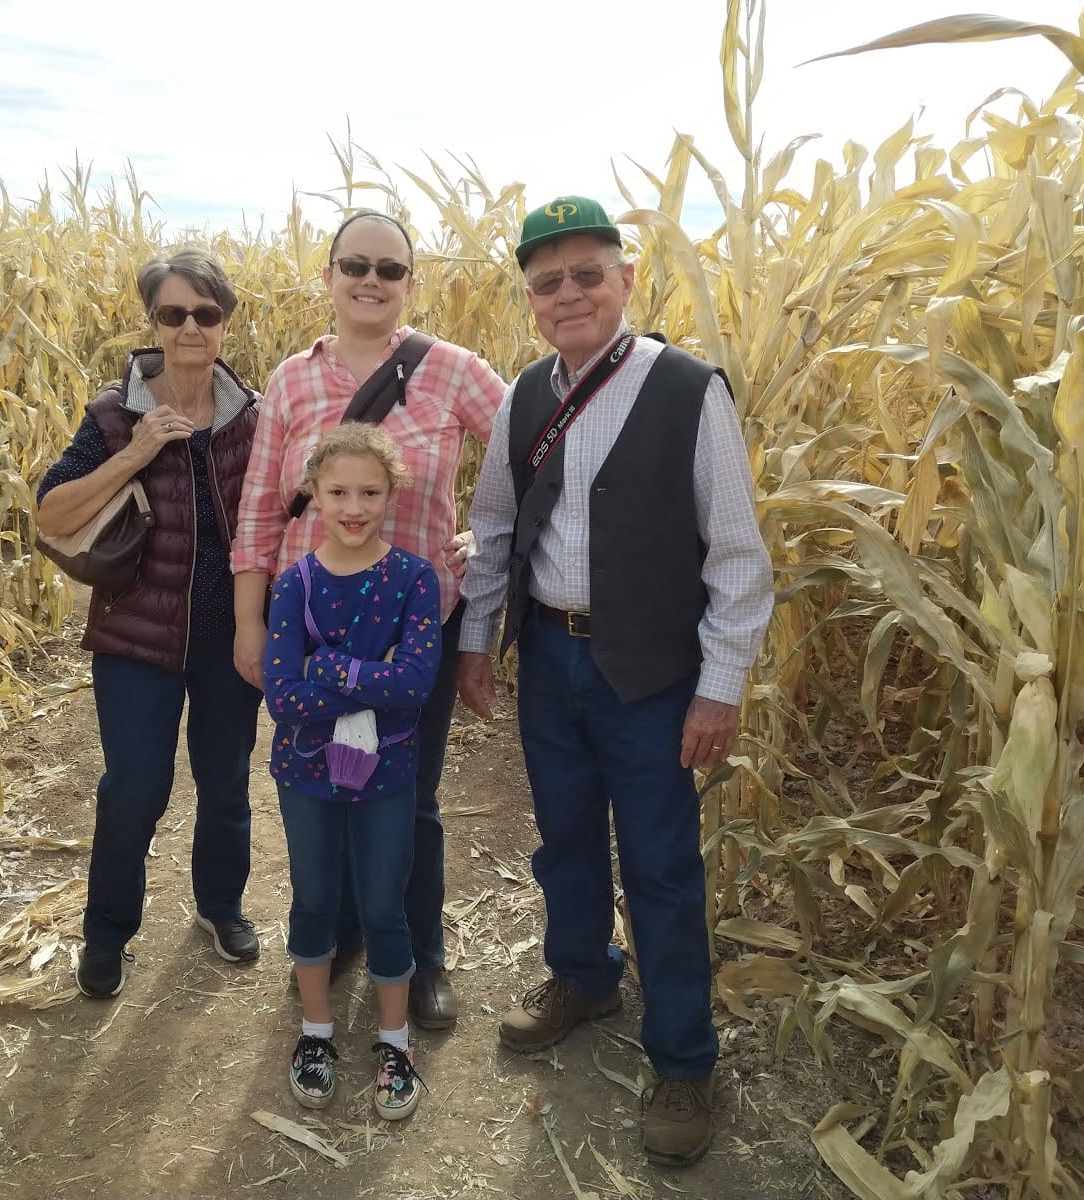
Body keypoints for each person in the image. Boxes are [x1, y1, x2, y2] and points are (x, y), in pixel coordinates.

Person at [456, 196, 774, 1167]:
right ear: (531, 300)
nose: (568, 295)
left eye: (586, 274)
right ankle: (584, 976)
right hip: (549, 657)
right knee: (563, 841)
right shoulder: (523, 398)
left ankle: (681, 1057)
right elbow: (497, 528)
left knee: (663, 868)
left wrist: (719, 686)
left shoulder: (685, 390)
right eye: (547, 283)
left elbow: (735, 554)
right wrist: (477, 641)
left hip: (647, 671)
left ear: (624, 280)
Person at [232, 210, 506, 1031]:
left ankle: (421, 953)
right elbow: (257, 507)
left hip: (412, 631)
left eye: (390, 269)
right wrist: (251, 622)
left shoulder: (454, 372)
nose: (370, 281)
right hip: (309, 626)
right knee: (322, 780)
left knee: (407, 796)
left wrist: (484, 535)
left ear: (410, 284)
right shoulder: (290, 379)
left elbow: (536, 453)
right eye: (354, 264)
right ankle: (345, 932)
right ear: (328, 275)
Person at [37, 249, 264, 999]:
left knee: (226, 782)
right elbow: (52, 512)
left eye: (206, 313)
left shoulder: (254, 419)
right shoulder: (114, 413)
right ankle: (106, 935)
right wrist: (135, 453)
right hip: (137, 637)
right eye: (174, 314)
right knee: (135, 788)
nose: (190, 327)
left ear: (225, 323)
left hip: (227, 634)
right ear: (155, 325)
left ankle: (221, 907)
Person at [263, 423, 442, 1119]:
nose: (354, 506)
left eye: (370, 491)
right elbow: (282, 697)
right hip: (305, 772)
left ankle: (394, 1043)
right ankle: (316, 1034)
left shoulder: (413, 580)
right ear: (313, 492)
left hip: (387, 773)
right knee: (314, 898)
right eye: (338, 491)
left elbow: (417, 684)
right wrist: (375, 677)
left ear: (392, 493)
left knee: (383, 903)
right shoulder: (295, 585)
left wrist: (329, 666)